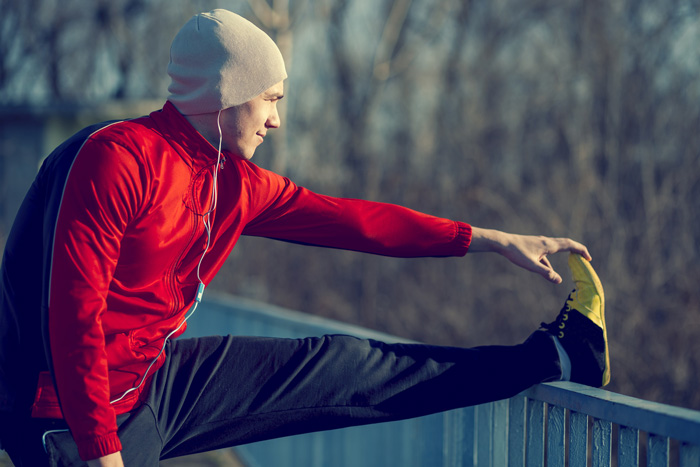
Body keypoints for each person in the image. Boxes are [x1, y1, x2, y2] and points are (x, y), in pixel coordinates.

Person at [0, 9, 609, 467]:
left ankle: (558, 357)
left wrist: (489, 238)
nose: (276, 118)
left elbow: (355, 221)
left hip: (155, 382)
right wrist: (101, 450)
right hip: (68, 419)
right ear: (223, 93)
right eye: (269, 99)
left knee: (346, 365)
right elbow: (71, 316)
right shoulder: (118, 159)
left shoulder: (234, 182)